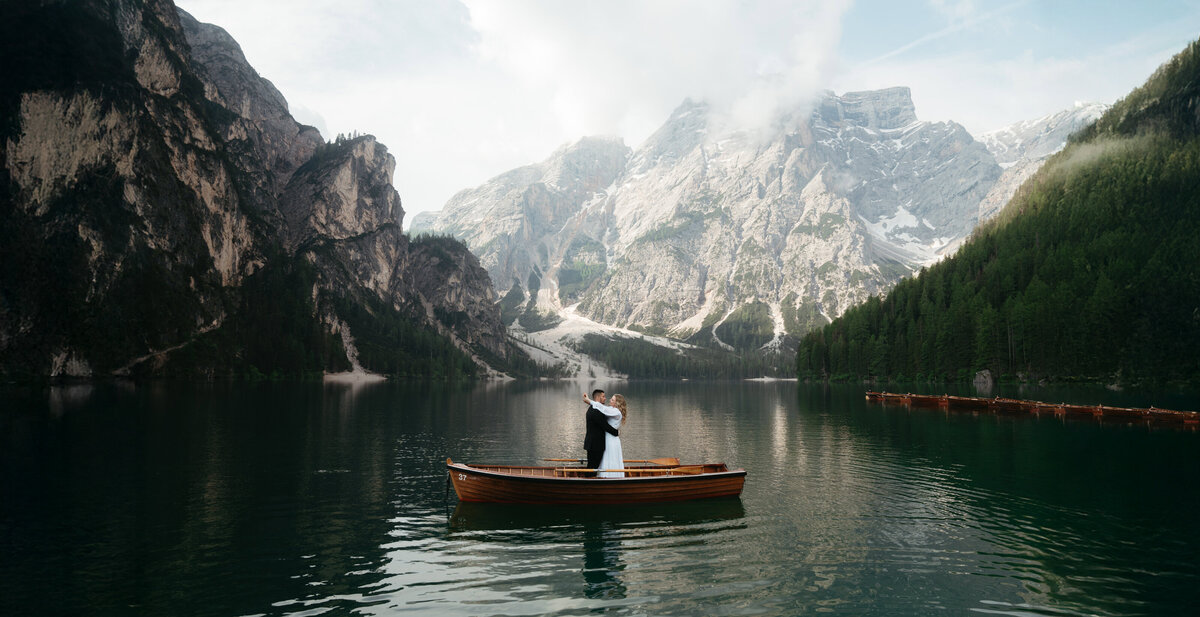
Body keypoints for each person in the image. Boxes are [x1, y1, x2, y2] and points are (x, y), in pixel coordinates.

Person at [583, 391, 626, 478]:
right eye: (604, 396)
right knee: (599, 462)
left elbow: (604, 409)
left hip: (610, 440)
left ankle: (610, 477)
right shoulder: (599, 410)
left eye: (612, 399)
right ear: (598, 398)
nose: (607, 399)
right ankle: (594, 480)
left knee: (609, 459)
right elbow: (605, 424)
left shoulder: (616, 411)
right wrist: (616, 432)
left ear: (617, 403)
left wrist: (589, 400)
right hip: (597, 442)